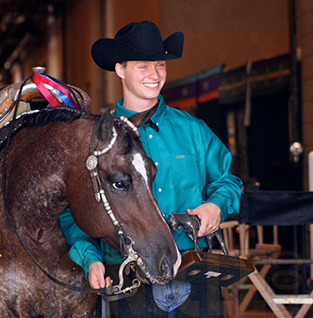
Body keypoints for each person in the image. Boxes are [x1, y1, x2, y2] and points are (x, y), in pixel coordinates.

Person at [60, 20, 242, 317]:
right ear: (120, 69)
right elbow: (73, 210)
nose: (155, 75)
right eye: (143, 66)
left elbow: (227, 181)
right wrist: (90, 258)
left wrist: (216, 206)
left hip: (192, 272)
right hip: (125, 277)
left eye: (159, 65)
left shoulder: (193, 130)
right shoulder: (96, 138)